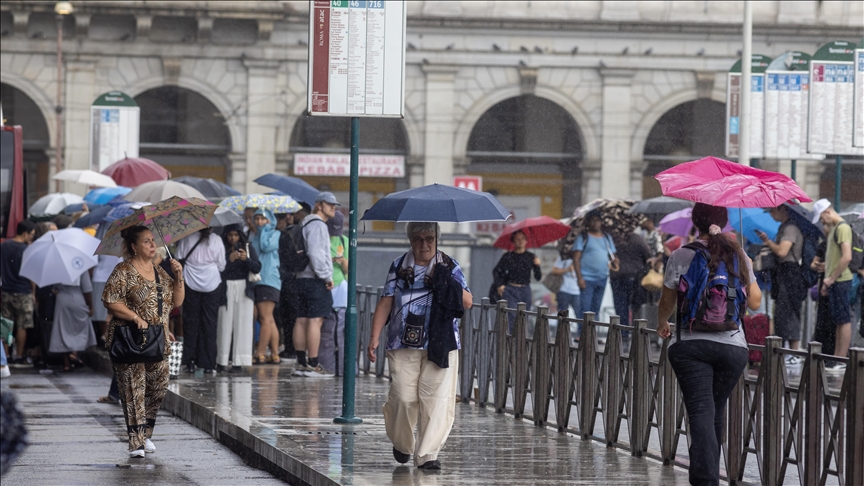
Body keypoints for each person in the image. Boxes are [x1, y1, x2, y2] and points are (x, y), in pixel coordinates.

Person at [656, 203, 761, 486]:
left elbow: (667, 301)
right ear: (725, 222)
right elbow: (754, 302)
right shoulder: (739, 255)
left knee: (701, 410)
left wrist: (662, 323)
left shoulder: (682, 254)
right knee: (715, 408)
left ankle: (706, 480)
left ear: (695, 222)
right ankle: (707, 475)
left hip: (691, 345)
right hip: (733, 348)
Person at [367, 222, 472, 470]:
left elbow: (467, 301)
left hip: (440, 342)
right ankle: (403, 444)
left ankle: (427, 455)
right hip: (402, 342)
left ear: (436, 239)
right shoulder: (398, 265)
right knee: (403, 398)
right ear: (410, 241)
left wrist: (446, 281)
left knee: (435, 400)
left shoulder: (449, 265)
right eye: (418, 239)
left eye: (429, 238)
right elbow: (386, 302)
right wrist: (374, 336)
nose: (424, 244)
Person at [103, 226, 184, 458]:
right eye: (146, 241)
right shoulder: (123, 270)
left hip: (155, 338)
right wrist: (135, 317)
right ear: (133, 246)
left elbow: (175, 301)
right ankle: (136, 441)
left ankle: (146, 433)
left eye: (153, 241)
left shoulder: (160, 271)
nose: (152, 245)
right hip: (128, 338)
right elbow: (110, 301)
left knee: (158, 386)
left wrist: (179, 277)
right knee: (133, 389)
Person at [293, 193, 338, 377]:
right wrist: (327, 276)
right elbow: (317, 254)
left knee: (301, 319)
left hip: (300, 278)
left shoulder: (304, 223)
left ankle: (301, 362)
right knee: (315, 320)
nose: (334, 208)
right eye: (330, 204)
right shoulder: (318, 225)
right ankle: (312, 363)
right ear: (319, 205)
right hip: (315, 279)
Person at [758, 204, 806, 365]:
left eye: (773, 210)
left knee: (789, 312)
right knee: (781, 313)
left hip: (791, 273)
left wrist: (767, 241)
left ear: (783, 210)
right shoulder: (783, 228)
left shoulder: (791, 228)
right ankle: (785, 350)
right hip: (782, 274)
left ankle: (793, 352)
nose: (771, 214)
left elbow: (782, 251)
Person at [810, 199, 853, 372]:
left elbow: (847, 256)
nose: (822, 222)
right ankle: (837, 357)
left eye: (821, 218)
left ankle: (840, 359)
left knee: (843, 320)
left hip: (841, 280)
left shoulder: (842, 228)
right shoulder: (835, 229)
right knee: (838, 320)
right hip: (834, 280)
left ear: (827, 212)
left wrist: (832, 278)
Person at [176, 227, 225, 374]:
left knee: (191, 322)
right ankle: (209, 363)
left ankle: (190, 360)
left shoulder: (187, 237)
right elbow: (222, 265)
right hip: (212, 283)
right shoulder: (216, 240)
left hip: (190, 281)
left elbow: (179, 257)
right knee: (209, 323)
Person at [217, 224, 260, 371]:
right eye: (230, 235)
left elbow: (257, 267)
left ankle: (239, 361)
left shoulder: (247, 247)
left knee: (243, 325)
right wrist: (229, 260)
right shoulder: (221, 247)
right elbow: (219, 269)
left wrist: (245, 259)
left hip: (244, 288)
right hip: (226, 288)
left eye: (235, 235)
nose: (233, 238)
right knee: (224, 324)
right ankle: (222, 360)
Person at [48, 262, 95, 372]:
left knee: (63, 329)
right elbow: (87, 289)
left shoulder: (58, 266)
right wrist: (91, 306)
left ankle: (66, 364)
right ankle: (74, 353)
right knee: (80, 326)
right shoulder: (81, 265)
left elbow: (54, 287)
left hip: (62, 300)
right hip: (78, 298)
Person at [0, 220, 36, 364]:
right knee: (22, 325)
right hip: (24, 291)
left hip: (7, 291)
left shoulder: (3, 246)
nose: (32, 238)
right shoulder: (27, 249)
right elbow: (31, 274)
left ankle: (6, 354)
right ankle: (19, 355)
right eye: (31, 235)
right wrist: (33, 292)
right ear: (25, 233)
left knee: (7, 324)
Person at [250, 208, 282, 364]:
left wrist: (263, 231)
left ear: (270, 220)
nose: (259, 222)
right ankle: (275, 353)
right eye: (257, 219)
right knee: (269, 319)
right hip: (258, 279)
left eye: (263, 219)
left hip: (269, 279)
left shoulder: (275, 234)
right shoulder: (253, 235)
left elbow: (265, 247)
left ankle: (260, 353)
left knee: (265, 317)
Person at [573, 211, 619, 317]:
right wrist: (579, 278)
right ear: (588, 222)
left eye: (597, 220)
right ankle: (582, 332)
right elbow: (576, 258)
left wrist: (615, 261)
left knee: (596, 309)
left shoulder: (607, 238)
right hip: (586, 279)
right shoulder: (583, 237)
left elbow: (613, 255)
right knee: (585, 309)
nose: (595, 223)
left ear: (601, 222)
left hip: (602, 278)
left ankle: (593, 332)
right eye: (592, 220)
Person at [491, 230, 542, 329]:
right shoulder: (508, 256)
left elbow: (538, 277)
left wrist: (537, 265)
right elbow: (496, 271)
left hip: (525, 290)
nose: (520, 241)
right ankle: (511, 341)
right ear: (513, 242)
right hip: (511, 289)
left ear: (526, 241)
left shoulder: (530, 256)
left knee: (524, 317)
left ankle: (520, 342)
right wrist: (500, 284)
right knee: (512, 316)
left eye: (523, 238)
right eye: (517, 239)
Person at [320, 210, 348, 375]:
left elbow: (348, 270)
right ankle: (327, 367)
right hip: (324, 287)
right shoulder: (320, 240)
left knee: (342, 331)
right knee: (326, 332)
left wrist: (342, 260)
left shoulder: (344, 242)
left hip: (340, 288)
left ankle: (343, 369)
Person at [609, 231, 651, 338]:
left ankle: (623, 334)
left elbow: (608, 256)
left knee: (620, 307)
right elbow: (648, 255)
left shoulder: (612, 239)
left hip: (618, 276)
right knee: (636, 306)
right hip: (635, 276)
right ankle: (637, 332)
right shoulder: (637, 239)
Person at [91, 254, 123, 346]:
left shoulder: (125, 242)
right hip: (101, 277)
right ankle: (106, 337)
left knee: (114, 310)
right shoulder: (98, 242)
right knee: (102, 312)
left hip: (117, 277)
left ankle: (107, 337)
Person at [551, 253, 580, 320]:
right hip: (564, 290)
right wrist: (567, 269)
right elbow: (554, 271)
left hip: (577, 291)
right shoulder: (564, 257)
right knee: (562, 316)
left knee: (579, 315)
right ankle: (561, 330)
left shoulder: (583, 257)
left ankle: (580, 330)